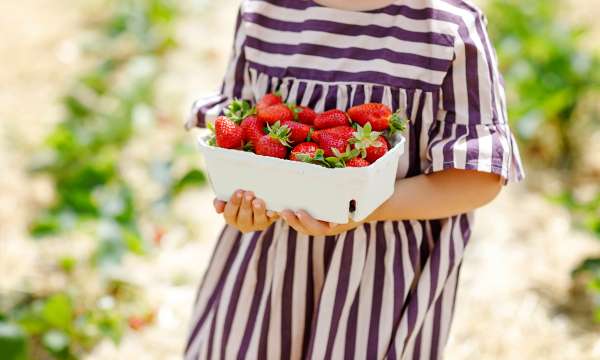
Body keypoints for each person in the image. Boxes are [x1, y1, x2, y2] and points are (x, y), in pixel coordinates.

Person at [184, 0, 524, 359]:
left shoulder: (448, 29)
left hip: (380, 274)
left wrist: (359, 205)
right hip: (270, 262)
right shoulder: (264, 14)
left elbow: (478, 177)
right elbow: (238, 137)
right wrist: (249, 205)